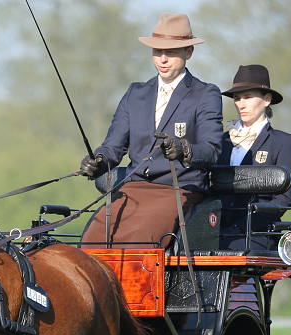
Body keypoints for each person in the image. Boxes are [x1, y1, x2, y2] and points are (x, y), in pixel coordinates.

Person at [78, 12, 222, 248]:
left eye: (171, 52)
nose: (163, 59)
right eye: (157, 51)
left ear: (189, 52)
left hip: (178, 189)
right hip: (132, 189)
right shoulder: (135, 93)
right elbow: (113, 146)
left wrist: (182, 149)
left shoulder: (205, 94)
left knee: (140, 241)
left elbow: (211, 150)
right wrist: (97, 161)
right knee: (91, 241)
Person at [215, 65, 291, 251]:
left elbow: (283, 199)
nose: (241, 104)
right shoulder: (219, 141)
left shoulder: (284, 142)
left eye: (248, 97)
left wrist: (239, 228)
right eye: (237, 98)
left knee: (227, 250)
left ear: (267, 99)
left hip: (256, 233)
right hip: (215, 229)